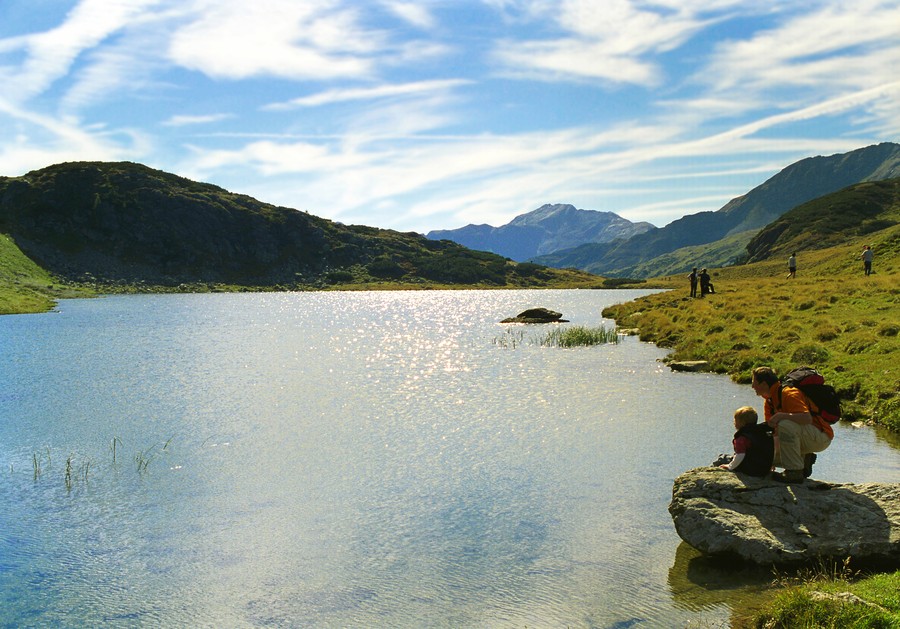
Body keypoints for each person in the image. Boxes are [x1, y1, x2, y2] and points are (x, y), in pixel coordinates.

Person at [751, 366, 833, 483]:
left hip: (821, 436)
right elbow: (775, 434)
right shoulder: (770, 401)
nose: (752, 386)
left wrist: (781, 416)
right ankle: (804, 461)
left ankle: (794, 472)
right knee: (763, 458)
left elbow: (806, 418)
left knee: (785, 424)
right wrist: (770, 458)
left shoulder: (789, 393)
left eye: (754, 382)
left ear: (764, 384)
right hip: (806, 436)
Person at [717, 406, 774, 477]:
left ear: (742, 423)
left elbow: (740, 455)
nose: (734, 423)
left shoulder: (742, 438)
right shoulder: (762, 432)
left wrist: (730, 466)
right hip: (764, 469)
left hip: (750, 470)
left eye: (735, 420)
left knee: (723, 458)